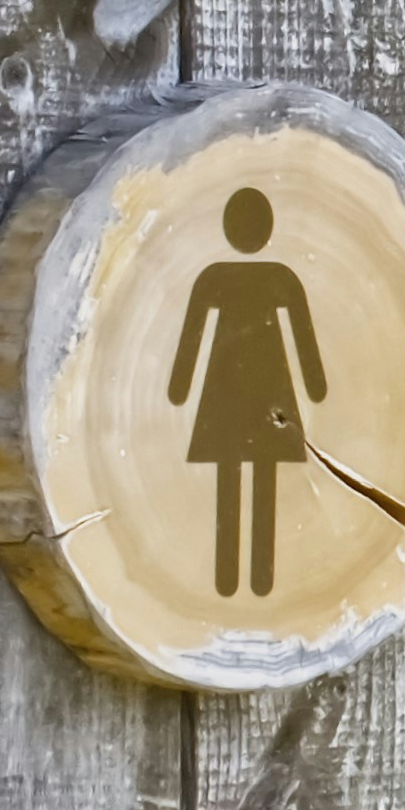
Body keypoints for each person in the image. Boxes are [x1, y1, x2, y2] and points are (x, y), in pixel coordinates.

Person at [168, 187, 325, 598]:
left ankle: (236, 576)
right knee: (258, 477)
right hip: (260, 383)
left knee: (233, 475)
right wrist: (314, 383)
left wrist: (180, 386)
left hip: (231, 384)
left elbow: (193, 338)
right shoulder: (275, 277)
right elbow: (302, 339)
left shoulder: (218, 277)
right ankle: (253, 577)